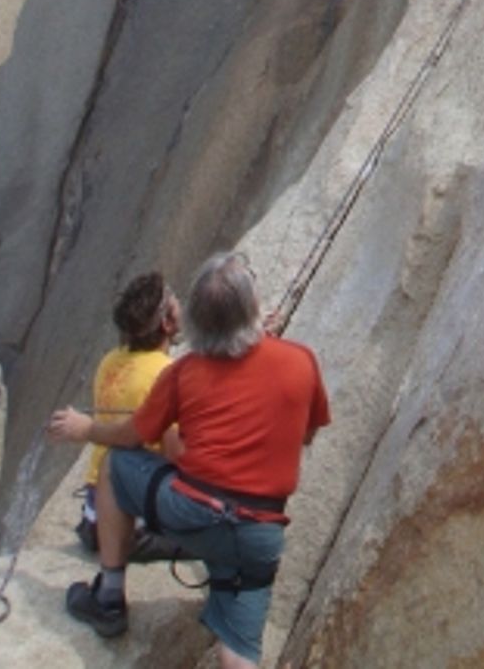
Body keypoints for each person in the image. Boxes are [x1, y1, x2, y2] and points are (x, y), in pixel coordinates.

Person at [49, 251, 330, 668]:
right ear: (253, 311)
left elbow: (133, 437)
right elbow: (306, 433)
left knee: (117, 463)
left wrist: (87, 430)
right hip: (257, 532)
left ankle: (108, 597)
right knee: (237, 649)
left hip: (190, 514)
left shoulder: (184, 373)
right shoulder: (300, 361)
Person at [75, 270, 181, 556]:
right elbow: (175, 452)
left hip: (94, 514)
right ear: (166, 323)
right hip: (134, 526)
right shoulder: (165, 373)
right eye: (174, 301)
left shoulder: (110, 360)